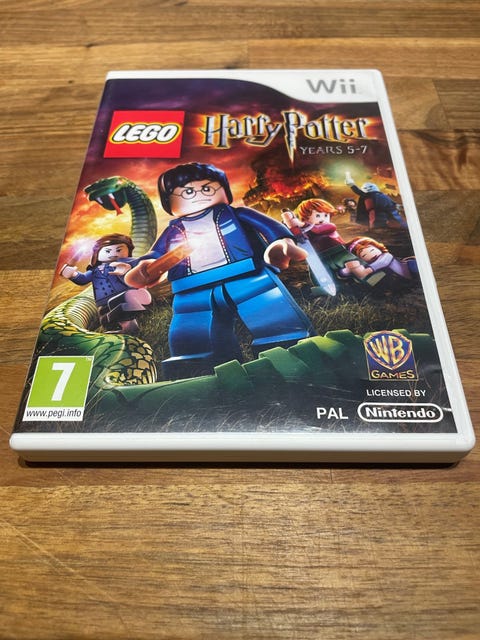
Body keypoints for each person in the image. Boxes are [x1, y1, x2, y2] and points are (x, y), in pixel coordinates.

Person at [125, 162, 314, 378]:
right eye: (188, 191)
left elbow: (271, 227)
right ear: (170, 201)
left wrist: (281, 243)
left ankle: (292, 351)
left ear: (224, 190)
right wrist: (146, 268)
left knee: (272, 317)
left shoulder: (236, 214)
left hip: (246, 276)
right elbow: (156, 254)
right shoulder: (174, 230)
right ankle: (197, 371)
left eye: (207, 188)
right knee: (193, 336)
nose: (199, 195)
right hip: (191, 289)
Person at [61, 233, 152, 335]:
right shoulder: (95, 271)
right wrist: (72, 274)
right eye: (108, 251)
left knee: (122, 305)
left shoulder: (125, 264)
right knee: (106, 318)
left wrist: (128, 270)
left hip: (121, 294)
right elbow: (83, 279)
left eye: (118, 250)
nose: (113, 253)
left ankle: (135, 301)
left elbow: (140, 264)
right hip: (102, 301)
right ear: (98, 253)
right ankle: (127, 328)